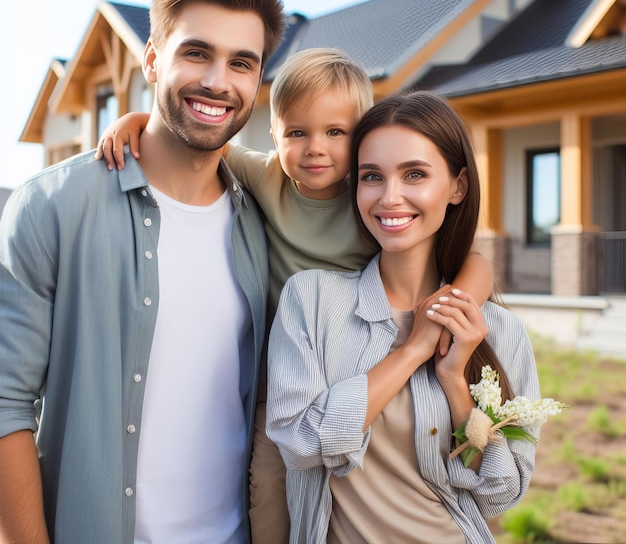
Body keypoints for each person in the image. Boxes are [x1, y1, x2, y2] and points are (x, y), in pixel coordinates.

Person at [97, 49, 495, 543]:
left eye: (336, 133)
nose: (315, 149)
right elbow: (193, 141)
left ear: (362, 138)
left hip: (359, 355)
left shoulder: (371, 198)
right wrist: (137, 120)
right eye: (297, 133)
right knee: (266, 482)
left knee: (364, 477)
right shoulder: (264, 176)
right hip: (282, 371)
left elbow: (476, 262)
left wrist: (447, 310)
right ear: (274, 135)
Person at [0, 0, 285, 544]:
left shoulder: (264, 220)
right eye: (197, 53)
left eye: (241, 63)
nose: (218, 81)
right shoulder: (50, 207)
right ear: (152, 59)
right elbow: (5, 404)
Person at [265, 90, 541, 544]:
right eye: (372, 176)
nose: (390, 198)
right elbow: (300, 443)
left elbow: (500, 494)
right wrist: (415, 349)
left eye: (414, 174)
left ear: (458, 187)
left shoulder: (500, 330)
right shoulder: (312, 300)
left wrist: (455, 382)